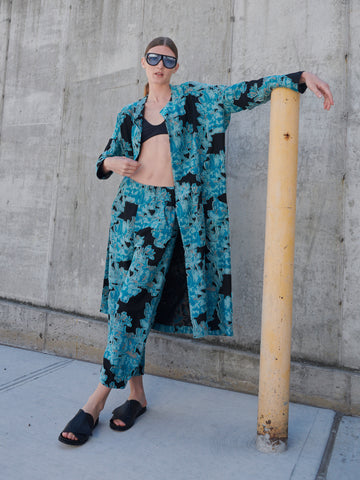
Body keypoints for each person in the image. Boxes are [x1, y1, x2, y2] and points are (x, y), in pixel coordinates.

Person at [58, 37, 334, 446]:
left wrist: (297, 78)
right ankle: (136, 396)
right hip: (128, 214)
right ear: (143, 62)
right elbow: (105, 158)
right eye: (153, 58)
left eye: (167, 60)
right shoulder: (130, 113)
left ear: (175, 66)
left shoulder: (195, 101)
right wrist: (111, 162)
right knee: (124, 306)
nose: (159, 65)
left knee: (133, 301)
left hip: (166, 217)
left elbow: (241, 93)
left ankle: (96, 400)